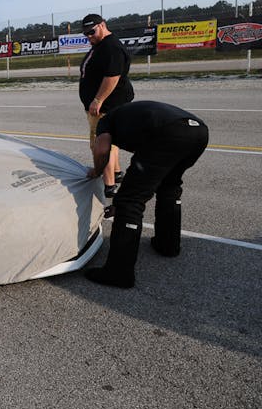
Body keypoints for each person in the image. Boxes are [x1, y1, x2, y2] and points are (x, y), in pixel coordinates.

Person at [84, 100, 209, 288]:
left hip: (168, 133)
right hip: (199, 131)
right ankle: (168, 245)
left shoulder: (105, 121)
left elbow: (102, 149)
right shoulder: (129, 114)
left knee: (130, 200)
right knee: (169, 187)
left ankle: (118, 273)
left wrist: (96, 171)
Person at [79, 13, 134, 198]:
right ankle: (116, 174)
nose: (89, 36)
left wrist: (98, 100)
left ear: (102, 25)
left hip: (106, 106)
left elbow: (112, 77)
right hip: (107, 105)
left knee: (101, 146)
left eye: (92, 32)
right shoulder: (101, 44)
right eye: (86, 34)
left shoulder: (111, 47)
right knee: (112, 143)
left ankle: (108, 185)